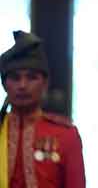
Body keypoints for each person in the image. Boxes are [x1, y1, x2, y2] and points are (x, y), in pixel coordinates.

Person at [0, 30, 85, 187]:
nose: (23, 85)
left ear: (45, 83)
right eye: (15, 77)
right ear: (5, 85)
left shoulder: (65, 135)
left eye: (32, 77)